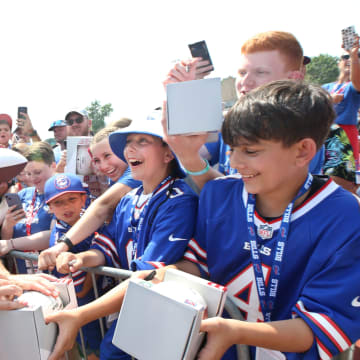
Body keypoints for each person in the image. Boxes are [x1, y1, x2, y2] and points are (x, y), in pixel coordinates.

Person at [51, 117, 198, 360]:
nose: (130, 149)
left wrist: (82, 314)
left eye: (142, 141)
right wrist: (79, 258)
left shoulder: (179, 200)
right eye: (128, 142)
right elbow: (106, 248)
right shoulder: (130, 199)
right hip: (132, 305)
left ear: (168, 154)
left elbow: (148, 275)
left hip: (162, 313)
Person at [164, 31, 324, 192]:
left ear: (293, 78)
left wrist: (190, 159)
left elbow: (243, 197)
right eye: (242, 73)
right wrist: (183, 95)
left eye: (260, 72)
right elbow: (199, 153)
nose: (246, 82)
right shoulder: (232, 123)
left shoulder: (302, 129)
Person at [43, 173, 103, 359]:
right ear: (50, 207)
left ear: (84, 199)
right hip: (80, 303)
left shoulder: (96, 223)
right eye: (58, 203)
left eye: (72, 199)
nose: (66, 206)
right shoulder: (58, 231)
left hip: (102, 298)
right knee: (86, 347)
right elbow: (79, 290)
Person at [0, 142, 56, 273]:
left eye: (37, 172)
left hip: (52, 276)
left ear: (53, 166)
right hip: (24, 274)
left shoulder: (61, 194)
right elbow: (5, 238)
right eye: (28, 174)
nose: (33, 179)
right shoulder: (22, 194)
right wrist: (8, 224)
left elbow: (54, 236)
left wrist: (11, 244)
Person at [323, 34, 360, 167]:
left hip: (345, 133)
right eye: (345, 57)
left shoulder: (353, 86)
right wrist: (328, 99)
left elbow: (357, 82)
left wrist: (354, 54)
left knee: (344, 178)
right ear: (338, 62)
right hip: (323, 132)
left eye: (355, 58)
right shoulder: (326, 87)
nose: (348, 59)